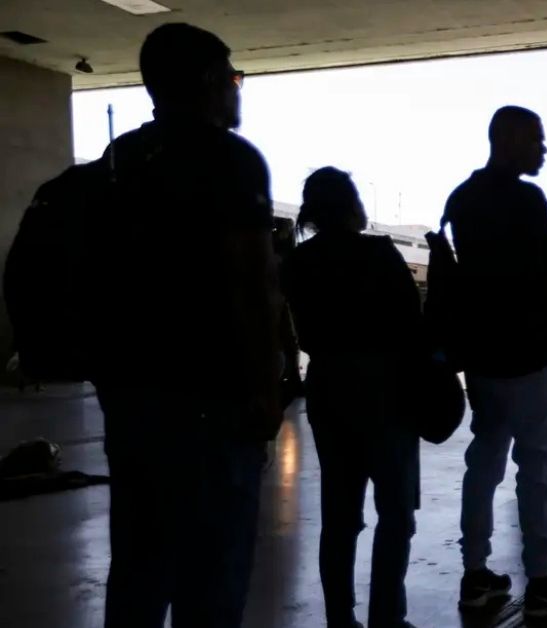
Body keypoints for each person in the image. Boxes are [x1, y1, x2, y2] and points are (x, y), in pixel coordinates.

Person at [89, 23, 280, 628]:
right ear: (207, 83)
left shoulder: (121, 159)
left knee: (141, 568)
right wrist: (265, 388)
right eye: (232, 76)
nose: (237, 90)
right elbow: (252, 287)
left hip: (132, 401)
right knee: (214, 576)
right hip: (213, 404)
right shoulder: (230, 160)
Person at [444, 105, 547, 617]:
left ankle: (475, 575)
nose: (543, 149)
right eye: (536, 139)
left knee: (483, 464)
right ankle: (543, 584)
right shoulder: (527, 200)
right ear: (507, 139)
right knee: (536, 468)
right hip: (531, 353)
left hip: (484, 359)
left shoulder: (461, 199)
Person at [281, 168, 423, 628]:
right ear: (350, 205)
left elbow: (302, 335)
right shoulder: (378, 253)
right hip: (385, 389)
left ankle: (340, 618)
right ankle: (387, 615)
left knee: (340, 514)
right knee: (395, 511)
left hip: (328, 387)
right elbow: (410, 321)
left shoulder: (298, 263)